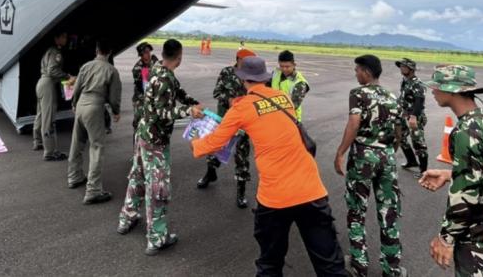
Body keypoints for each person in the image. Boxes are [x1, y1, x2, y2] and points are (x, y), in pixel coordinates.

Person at [192, 56, 347, 276]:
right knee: (330, 263)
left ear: (243, 79)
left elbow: (214, 143)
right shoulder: (283, 98)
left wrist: (195, 138)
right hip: (311, 190)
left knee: (270, 263)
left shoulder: (241, 108)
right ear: (265, 78)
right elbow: (266, 115)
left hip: (276, 196)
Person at [418, 64, 483, 275]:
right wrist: (452, 174)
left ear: (453, 90)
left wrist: (445, 238)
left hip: (480, 242)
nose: (433, 91)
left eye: (437, 86)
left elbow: (466, 195)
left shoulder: (465, 131)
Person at [117, 38, 203, 256]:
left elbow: (178, 91)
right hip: (155, 141)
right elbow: (161, 113)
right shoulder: (164, 78)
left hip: (143, 135)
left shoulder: (158, 69)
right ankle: (157, 238)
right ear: (180, 56)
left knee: (137, 177)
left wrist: (191, 102)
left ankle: (127, 217)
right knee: (158, 189)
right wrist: (187, 112)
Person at [334, 54, 405, 277]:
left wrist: (340, 152)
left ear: (366, 71)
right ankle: (392, 268)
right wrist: (392, 149)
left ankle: (359, 264)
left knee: (357, 210)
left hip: (363, 156)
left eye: (357, 70)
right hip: (387, 157)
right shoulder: (392, 96)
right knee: (388, 212)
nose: (356, 74)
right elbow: (400, 128)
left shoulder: (358, 94)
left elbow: (354, 123)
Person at [196, 48, 256, 208]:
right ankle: (210, 174)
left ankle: (241, 193)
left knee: (242, 156)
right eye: (246, 61)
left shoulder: (253, 76)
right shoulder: (227, 72)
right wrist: (229, 99)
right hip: (224, 120)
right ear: (238, 59)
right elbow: (217, 92)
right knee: (214, 149)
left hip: (244, 122)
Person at [67, 39, 122, 204]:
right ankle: (93, 190)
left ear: (96, 50)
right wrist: (116, 111)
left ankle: (74, 177)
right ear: (110, 52)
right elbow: (113, 97)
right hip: (95, 106)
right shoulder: (111, 70)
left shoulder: (86, 66)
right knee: (97, 147)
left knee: (76, 143)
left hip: (81, 104)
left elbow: (76, 88)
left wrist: (74, 104)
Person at [32, 31, 73, 161]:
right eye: (63, 36)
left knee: (40, 115)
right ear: (57, 38)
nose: (66, 39)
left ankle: (37, 141)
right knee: (48, 119)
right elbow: (52, 70)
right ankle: (50, 152)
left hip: (41, 83)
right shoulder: (56, 52)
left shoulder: (48, 51)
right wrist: (68, 76)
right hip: (48, 85)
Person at [395, 57, 428, 177]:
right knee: (401, 138)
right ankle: (412, 161)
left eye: (404, 67)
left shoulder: (417, 84)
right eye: (401, 66)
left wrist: (413, 117)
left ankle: (424, 172)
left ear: (411, 69)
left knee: (418, 143)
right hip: (404, 115)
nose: (401, 68)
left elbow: (419, 101)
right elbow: (403, 98)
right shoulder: (404, 81)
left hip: (414, 117)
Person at [271, 50, 309, 121]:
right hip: (274, 116)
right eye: (281, 66)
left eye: (287, 66)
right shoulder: (275, 73)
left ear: (294, 65)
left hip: (291, 118)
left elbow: (293, 106)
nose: (284, 69)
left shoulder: (300, 83)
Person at [131, 42, 158, 131]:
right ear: (141, 54)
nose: (148, 54)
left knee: (153, 122)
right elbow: (142, 87)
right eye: (146, 52)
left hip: (153, 97)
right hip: (140, 98)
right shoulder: (137, 68)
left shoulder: (155, 61)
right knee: (138, 121)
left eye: (149, 51)